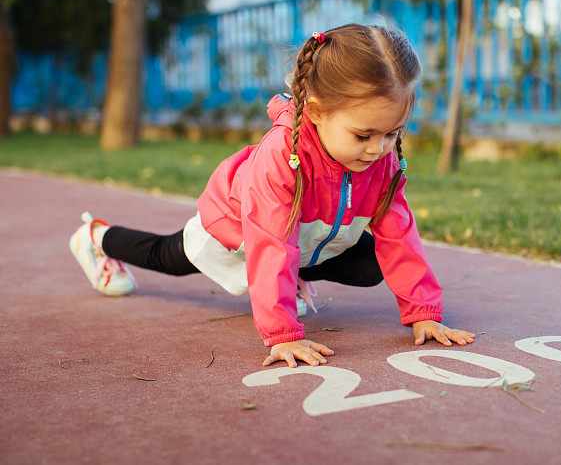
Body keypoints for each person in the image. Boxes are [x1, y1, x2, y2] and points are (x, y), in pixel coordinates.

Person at [69, 23, 476, 368]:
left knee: (371, 264)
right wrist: (283, 334)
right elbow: (269, 243)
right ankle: (97, 237)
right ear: (315, 111)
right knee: (169, 256)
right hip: (240, 228)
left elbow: (400, 236)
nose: (378, 148)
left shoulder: (381, 163)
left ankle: (291, 278)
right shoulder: (281, 157)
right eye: (363, 135)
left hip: (308, 237)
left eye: (393, 133)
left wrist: (423, 312)